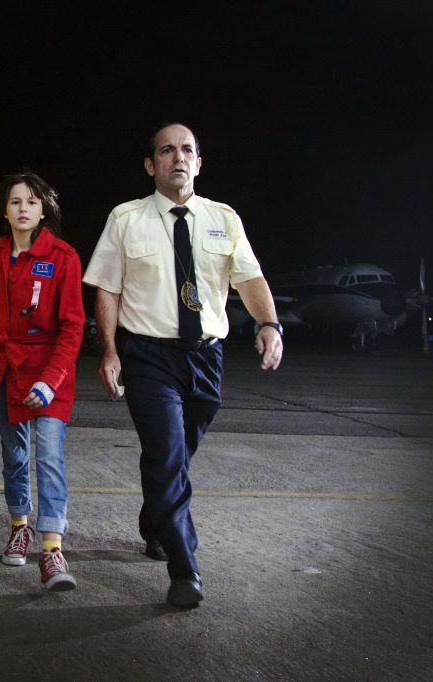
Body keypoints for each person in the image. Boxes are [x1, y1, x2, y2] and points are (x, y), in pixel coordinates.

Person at [82, 123, 283, 607]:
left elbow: (249, 279)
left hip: (206, 356)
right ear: (150, 164)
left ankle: (155, 520)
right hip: (148, 355)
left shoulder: (223, 218)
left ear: (198, 163)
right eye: (167, 150)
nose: (178, 157)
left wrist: (270, 324)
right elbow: (107, 288)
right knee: (168, 453)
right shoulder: (126, 218)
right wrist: (109, 349)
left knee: (173, 454)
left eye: (187, 150)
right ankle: (184, 567)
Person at [0, 172, 85, 591]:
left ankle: (51, 549)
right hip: (8, 369)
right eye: (15, 202)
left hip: (49, 373)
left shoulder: (63, 257)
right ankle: (18, 526)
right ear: (5, 211)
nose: (23, 208)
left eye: (31, 201)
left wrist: (50, 380)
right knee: (15, 458)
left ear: (44, 210)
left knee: (49, 456)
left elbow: (73, 328)